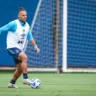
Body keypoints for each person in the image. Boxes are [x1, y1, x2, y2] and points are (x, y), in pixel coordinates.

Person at [0, 7, 40, 88]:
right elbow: (1, 30)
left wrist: (35, 45)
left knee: (20, 69)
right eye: (23, 15)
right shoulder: (13, 24)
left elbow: (30, 37)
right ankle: (25, 78)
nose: (25, 16)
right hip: (11, 48)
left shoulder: (27, 25)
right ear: (18, 16)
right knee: (25, 58)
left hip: (19, 49)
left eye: (26, 15)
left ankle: (12, 83)